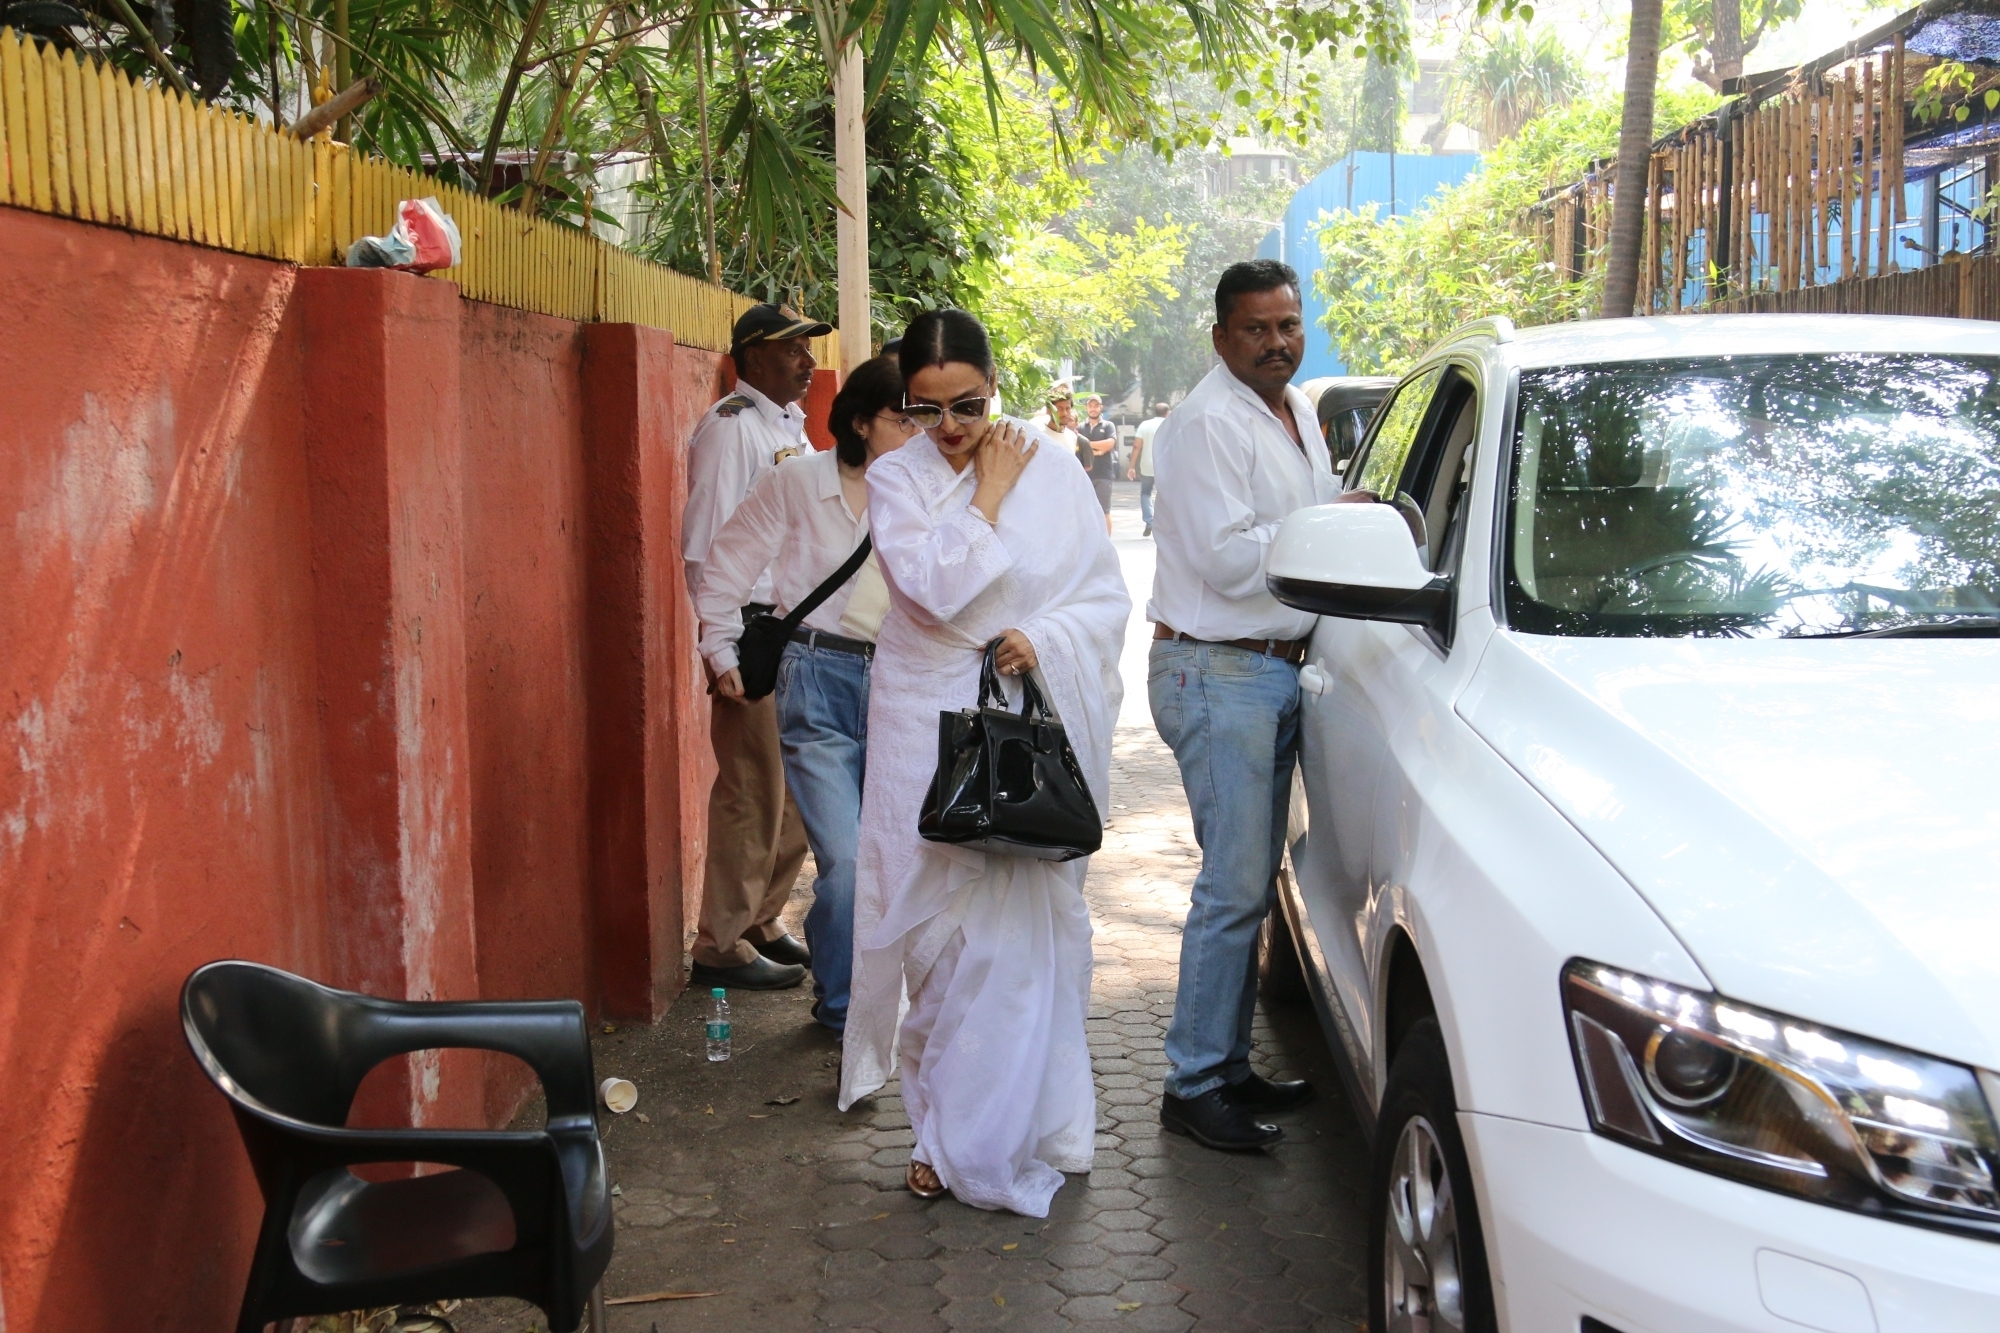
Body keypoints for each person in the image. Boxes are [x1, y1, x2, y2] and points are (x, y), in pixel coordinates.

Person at [840, 310, 1130, 1217]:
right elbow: (930, 590)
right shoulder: (895, 478)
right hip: (919, 720)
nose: (951, 429)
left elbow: (1102, 596)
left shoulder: (1056, 465)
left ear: (995, 384)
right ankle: (937, 1133)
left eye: (966, 405)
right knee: (934, 939)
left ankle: (993, 1133)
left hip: (1020, 719)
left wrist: (1041, 636)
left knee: (1012, 939)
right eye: (925, 411)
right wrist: (988, 498)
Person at [1147, 260, 1336, 1150]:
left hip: (1270, 669)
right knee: (1230, 887)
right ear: (1221, 336)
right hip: (1217, 668)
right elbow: (1226, 558)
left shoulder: (1296, 411)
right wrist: (1329, 531)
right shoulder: (1202, 424)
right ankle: (1191, 1083)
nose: (1276, 342)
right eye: (1257, 328)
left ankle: (1224, 1064)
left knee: (1253, 880)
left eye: (1288, 324)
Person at [694, 357, 919, 1032]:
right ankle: (845, 1008)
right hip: (814, 680)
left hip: (898, 685)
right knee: (845, 863)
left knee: (888, 858)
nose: (920, 430)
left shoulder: (925, 490)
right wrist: (718, 646)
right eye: (904, 417)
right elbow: (727, 559)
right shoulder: (798, 480)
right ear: (861, 421)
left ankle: (852, 985)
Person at [681, 303, 831, 990]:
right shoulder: (730, 431)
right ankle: (721, 940)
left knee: (798, 786)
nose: (806, 361)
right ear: (750, 357)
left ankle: (762, 917)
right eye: (791, 349)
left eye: (807, 349)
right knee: (751, 788)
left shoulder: (787, 428)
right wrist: (723, 652)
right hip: (751, 631)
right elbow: (706, 552)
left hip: (795, 625)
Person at [1078, 394, 1118, 533]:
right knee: (1084, 511)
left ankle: (1107, 544)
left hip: (1103, 474)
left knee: (1104, 510)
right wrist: (1098, 451)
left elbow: (1109, 444)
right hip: (1084, 475)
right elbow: (1077, 447)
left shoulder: (1108, 426)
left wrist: (1087, 444)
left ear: (1101, 407)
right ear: (1086, 408)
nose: (1093, 409)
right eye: (1090, 406)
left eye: (1096, 406)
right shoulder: (1080, 427)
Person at [1128, 401, 1168, 536]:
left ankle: (1149, 521)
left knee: (1145, 493)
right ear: (1167, 413)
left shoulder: (1145, 425)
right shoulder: (1170, 425)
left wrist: (1131, 467)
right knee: (1165, 495)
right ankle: (1165, 525)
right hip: (1166, 466)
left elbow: (1136, 446)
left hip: (1147, 466)